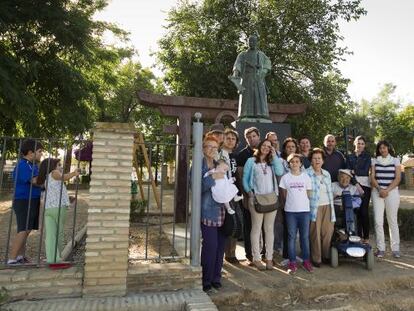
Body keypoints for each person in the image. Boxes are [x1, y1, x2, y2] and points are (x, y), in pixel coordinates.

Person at [242, 139, 283, 270]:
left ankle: (269, 258)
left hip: (271, 198)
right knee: (256, 229)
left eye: (269, 146)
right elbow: (245, 179)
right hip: (256, 199)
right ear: (259, 146)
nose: (266, 148)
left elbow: (280, 172)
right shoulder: (251, 161)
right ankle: (256, 258)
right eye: (264, 145)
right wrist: (250, 194)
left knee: (269, 229)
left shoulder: (272, 162)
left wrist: (275, 155)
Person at [36, 158, 80, 263]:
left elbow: (55, 193)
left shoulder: (46, 178)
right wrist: (74, 173)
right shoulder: (54, 173)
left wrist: (68, 199)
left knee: (50, 235)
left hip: (48, 210)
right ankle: (58, 259)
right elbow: (62, 177)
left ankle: (52, 259)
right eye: (59, 165)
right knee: (58, 233)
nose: (61, 167)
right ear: (52, 166)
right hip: (58, 209)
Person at [8, 139, 43, 265]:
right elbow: (34, 181)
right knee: (23, 229)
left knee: (27, 229)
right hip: (23, 200)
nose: (41, 154)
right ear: (30, 152)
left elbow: (40, 182)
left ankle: (20, 257)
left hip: (33, 200)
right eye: (39, 151)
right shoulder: (23, 165)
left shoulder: (32, 165)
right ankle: (11, 259)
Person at [200, 136, 226, 293]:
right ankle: (206, 279)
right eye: (209, 146)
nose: (212, 149)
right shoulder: (199, 165)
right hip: (208, 211)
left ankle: (217, 277)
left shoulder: (220, 165)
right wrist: (212, 178)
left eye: (215, 147)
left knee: (220, 247)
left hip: (222, 211)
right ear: (203, 148)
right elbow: (195, 187)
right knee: (211, 246)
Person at [279, 154, 313, 274]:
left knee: (304, 237)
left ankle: (306, 261)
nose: (294, 163)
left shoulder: (306, 177)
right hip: (290, 212)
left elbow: (309, 194)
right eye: (292, 162)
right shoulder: (285, 178)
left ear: (301, 163)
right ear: (289, 164)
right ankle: (292, 262)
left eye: (297, 161)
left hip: (304, 211)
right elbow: (284, 195)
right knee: (291, 237)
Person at [229, 34, 272, 121]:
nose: (251, 43)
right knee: (246, 97)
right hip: (246, 78)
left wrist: (263, 72)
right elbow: (238, 64)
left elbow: (268, 64)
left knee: (259, 97)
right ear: (247, 43)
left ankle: (261, 115)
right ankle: (245, 115)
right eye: (250, 41)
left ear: (256, 43)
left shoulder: (261, 54)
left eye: (253, 41)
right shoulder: (243, 54)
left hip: (258, 78)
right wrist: (235, 74)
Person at [371, 140, 401, 258]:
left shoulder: (395, 160)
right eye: (380, 148)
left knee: (392, 220)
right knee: (378, 221)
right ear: (378, 150)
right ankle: (381, 249)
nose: (382, 150)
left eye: (384, 147)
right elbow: (372, 177)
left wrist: (386, 191)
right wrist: (379, 189)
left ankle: (395, 249)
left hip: (392, 192)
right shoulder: (374, 160)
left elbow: (398, 178)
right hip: (377, 192)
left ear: (388, 148)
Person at [306, 148, 335, 267]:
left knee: (327, 232)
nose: (317, 160)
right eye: (314, 158)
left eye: (319, 158)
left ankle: (326, 255)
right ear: (311, 160)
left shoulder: (326, 173)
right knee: (315, 233)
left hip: (328, 205)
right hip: (314, 207)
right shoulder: (306, 174)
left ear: (323, 161)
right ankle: (316, 258)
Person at [236, 127, 261, 263]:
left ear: (258, 136)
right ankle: (249, 254)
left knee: (262, 226)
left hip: (264, 196)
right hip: (248, 196)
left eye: (253, 136)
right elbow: (240, 178)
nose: (252, 139)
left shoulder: (265, 152)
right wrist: (246, 195)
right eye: (249, 137)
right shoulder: (242, 155)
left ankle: (262, 253)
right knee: (249, 225)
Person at [219, 129, 242, 264]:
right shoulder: (219, 154)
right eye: (228, 138)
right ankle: (222, 254)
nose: (231, 141)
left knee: (235, 222)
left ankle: (231, 253)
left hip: (234, 193)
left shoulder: (235, 156)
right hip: (222, 194)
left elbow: (236, 175)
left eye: (233, 139)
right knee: (224, 224)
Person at [346, 136, 372, 243]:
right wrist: (355, 183)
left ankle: (366, 237)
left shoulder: (367, 156)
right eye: (358, 143)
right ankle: (358, 236)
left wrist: (354, 171)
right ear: (354, 144)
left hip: (365, 186)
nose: (360, 145)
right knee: (355, 211)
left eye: (362, 143)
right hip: (353, 186)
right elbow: (348, 172)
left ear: (364, 145)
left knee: (364, 211)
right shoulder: (349, 157)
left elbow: (365, 171)